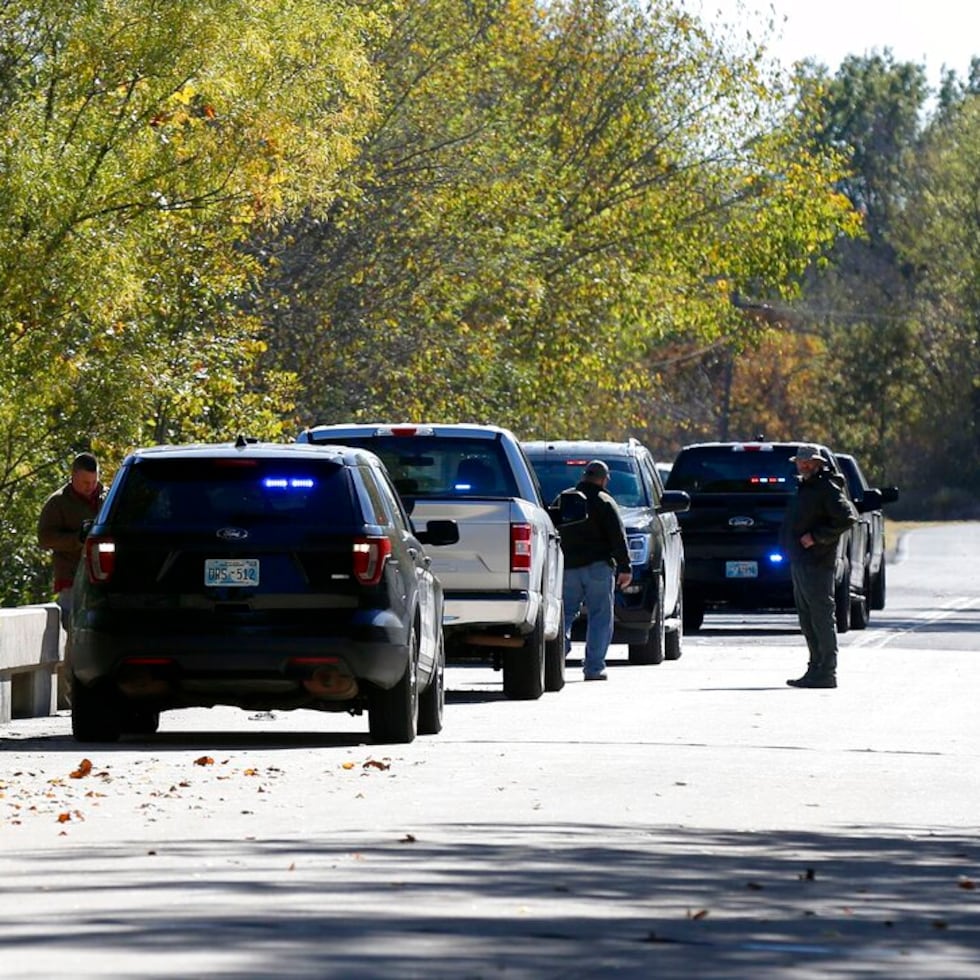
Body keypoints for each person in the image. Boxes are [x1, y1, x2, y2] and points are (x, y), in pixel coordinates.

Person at [780, 445, 857, 689]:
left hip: (817, 562)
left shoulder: (826, 487)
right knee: (807, 617)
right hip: (801, 561)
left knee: (822, 616)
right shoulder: (806, 487)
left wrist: (817, 537)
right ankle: (815, 668)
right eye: (800, 462)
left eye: (808, 462)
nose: (803, 466)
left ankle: (827, 671)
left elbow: (847, 518)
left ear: (818, 463)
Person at [554, 459, 632, 681]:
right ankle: (594, 668)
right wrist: (625, 566)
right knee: (600, 616)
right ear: (603, 478)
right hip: (598, 568)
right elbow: (617, 536)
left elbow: (553, 527)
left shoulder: (565, 498)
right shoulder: (605, 501)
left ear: (584, 475)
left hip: (568, 568)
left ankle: (560, 647)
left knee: (565, 614)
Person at [38, 452, 105, 634]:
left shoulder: (106, 499)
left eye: (93, 481)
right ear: (73, 476)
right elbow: (45, 538)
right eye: (85, 483)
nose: (90, 487)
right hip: (71, 576)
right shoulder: (58, 502)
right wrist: (77, 539)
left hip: (102, 577)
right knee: (73, 626)